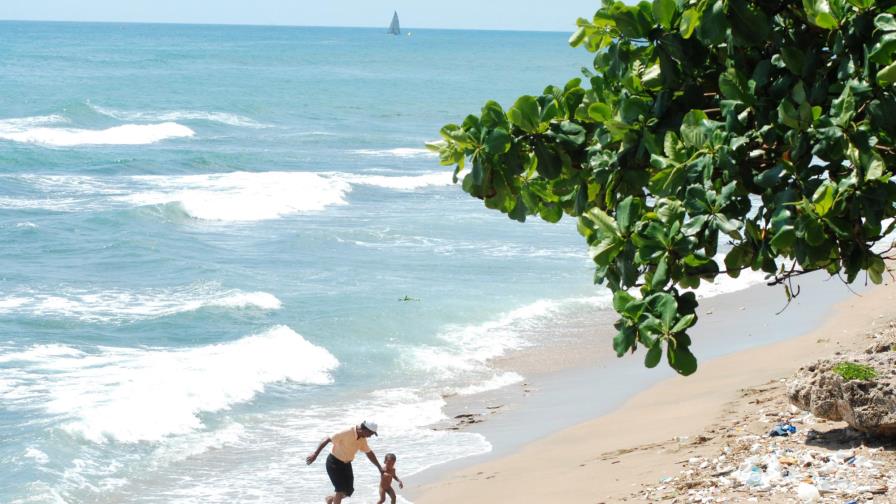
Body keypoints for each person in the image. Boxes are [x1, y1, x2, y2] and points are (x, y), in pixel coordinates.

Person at [306, 420, 384, 504]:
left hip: (346, 464)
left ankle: (330, 499)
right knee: (340, 490)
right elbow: (328, 439)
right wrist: (315, 454)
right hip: (334, 463)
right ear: (365, 430)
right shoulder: (347, 431)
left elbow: (369, 453)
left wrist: (379, 467)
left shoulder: (362, 439)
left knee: (348, 491)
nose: (370, 436)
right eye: (371, 434)